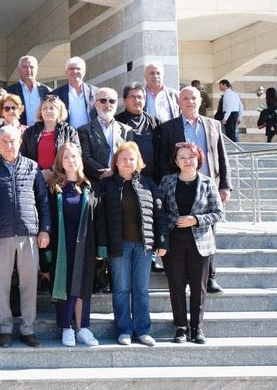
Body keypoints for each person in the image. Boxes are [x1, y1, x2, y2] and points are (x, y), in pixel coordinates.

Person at [157, 86, 231, 293]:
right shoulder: (168, 127)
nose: (190, 101)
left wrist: (225, 185)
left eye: (194, 98)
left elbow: (222, 158)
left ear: (201, 101)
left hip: (207, 188)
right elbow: (163, 161)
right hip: (179, 186)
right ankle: (182, 274)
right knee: (180, 231)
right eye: (185, 98)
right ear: (179, 102)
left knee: (209, 232)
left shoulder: (214, 125)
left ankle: (210, 277)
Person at [0, 125, 51, 349]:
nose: (9, 145)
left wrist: (45, 229)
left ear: (20, 142)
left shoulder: (32, 167)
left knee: (29, 283)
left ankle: (27, 328)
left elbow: (43, 200)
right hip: (0, 235)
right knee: (1, 283)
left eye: (12, 141)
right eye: (4, 141)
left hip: (29, 234)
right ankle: (4, 328)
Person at [157, 142, 224, 344]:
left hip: (200, 242)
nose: (187, 160)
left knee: (198, 287)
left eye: (191, 157)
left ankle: (197, 327)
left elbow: (218, 213)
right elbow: (159, 210)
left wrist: (195, 220)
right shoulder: (167, 181)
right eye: (183, 157)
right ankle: (180, 327)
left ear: (198, 159)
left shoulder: (207, 182)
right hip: (174, 240)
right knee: (176, 285)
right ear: (176, 161)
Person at [99, 142, 161, 347]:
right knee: (121, 288)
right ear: (116, 162)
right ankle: (124, 329)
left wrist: (161, 241)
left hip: (144, 246)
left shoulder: (148, 184)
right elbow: (100, 219)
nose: (127, 162)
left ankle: (143, 330)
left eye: (131, 159)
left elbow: (158, 214)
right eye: (123, 159)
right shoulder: (108, 186)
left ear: (138, 163)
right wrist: (102, 245)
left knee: (141, 289)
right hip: (119, 246)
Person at [46, 142, 102, 347]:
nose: (71, 160)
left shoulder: (90, 187)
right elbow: (49, 218)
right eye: (66, 157)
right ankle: (66, 328)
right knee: (65, 285)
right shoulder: (54, 187)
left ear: (81, 160)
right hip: (62, 245)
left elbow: (99, 219)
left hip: (85, 245)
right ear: (60, 161)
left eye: (74, 156)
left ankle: (83, 328)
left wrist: (100, 249)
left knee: (83, 285)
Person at [78, 87, 134, 182]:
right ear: (95, 104)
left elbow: (131, 156)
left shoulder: (127, 130)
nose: (108, 105)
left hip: (121, 180)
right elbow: (85, 157)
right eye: (103, 101)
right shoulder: (84, 130)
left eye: (112, 101)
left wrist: (115, 172)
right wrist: (104, 172)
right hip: (96, 181)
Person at [21, 94, 79, 182]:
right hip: (35, 179)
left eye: (52, 108)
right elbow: (23, 157)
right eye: (44, 108)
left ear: (59, 111)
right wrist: (39, 173)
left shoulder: (69, 131)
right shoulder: (30, 132)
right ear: (40, 111)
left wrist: (52, 171)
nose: (48, 111)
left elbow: (77, 155)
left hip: (62, 178)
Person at [116, 83, 161, 180]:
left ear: (144, 100)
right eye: (132, 97)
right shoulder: (117, 121)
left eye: (140, 97)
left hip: (152, 176)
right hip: (127, 176)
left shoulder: (154, 121)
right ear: (124, 100)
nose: (136, 100)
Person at [50, 56, 98, 129]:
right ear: (66, 73)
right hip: (68, 136)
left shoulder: (96, 92)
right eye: (71, 68)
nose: (75, 71)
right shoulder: (56, 94)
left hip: (90, 136)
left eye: (78, 68)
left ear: (84, 72)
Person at [5, 55, 50, 126]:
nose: (28, 70)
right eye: (25, 67)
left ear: (37, 69)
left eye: (31, 67)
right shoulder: (8, 92)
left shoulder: (47, 91)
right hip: (18, 133)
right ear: (19, 69)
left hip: (42, 133)